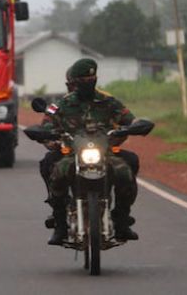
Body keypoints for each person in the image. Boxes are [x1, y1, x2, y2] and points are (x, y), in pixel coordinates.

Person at [43, 58, 140, 245]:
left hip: (105, 153)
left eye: (92, 78)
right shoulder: (61, 105)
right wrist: (48, 137)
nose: (89, 82)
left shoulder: (109, 102)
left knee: (126, 173)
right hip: (72, 154)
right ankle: (60, 224)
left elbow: (129, 119)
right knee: (56, 173)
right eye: (84, 79)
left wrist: (135, 126)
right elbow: (47, 124)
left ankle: (121, 220)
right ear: (75, 82)